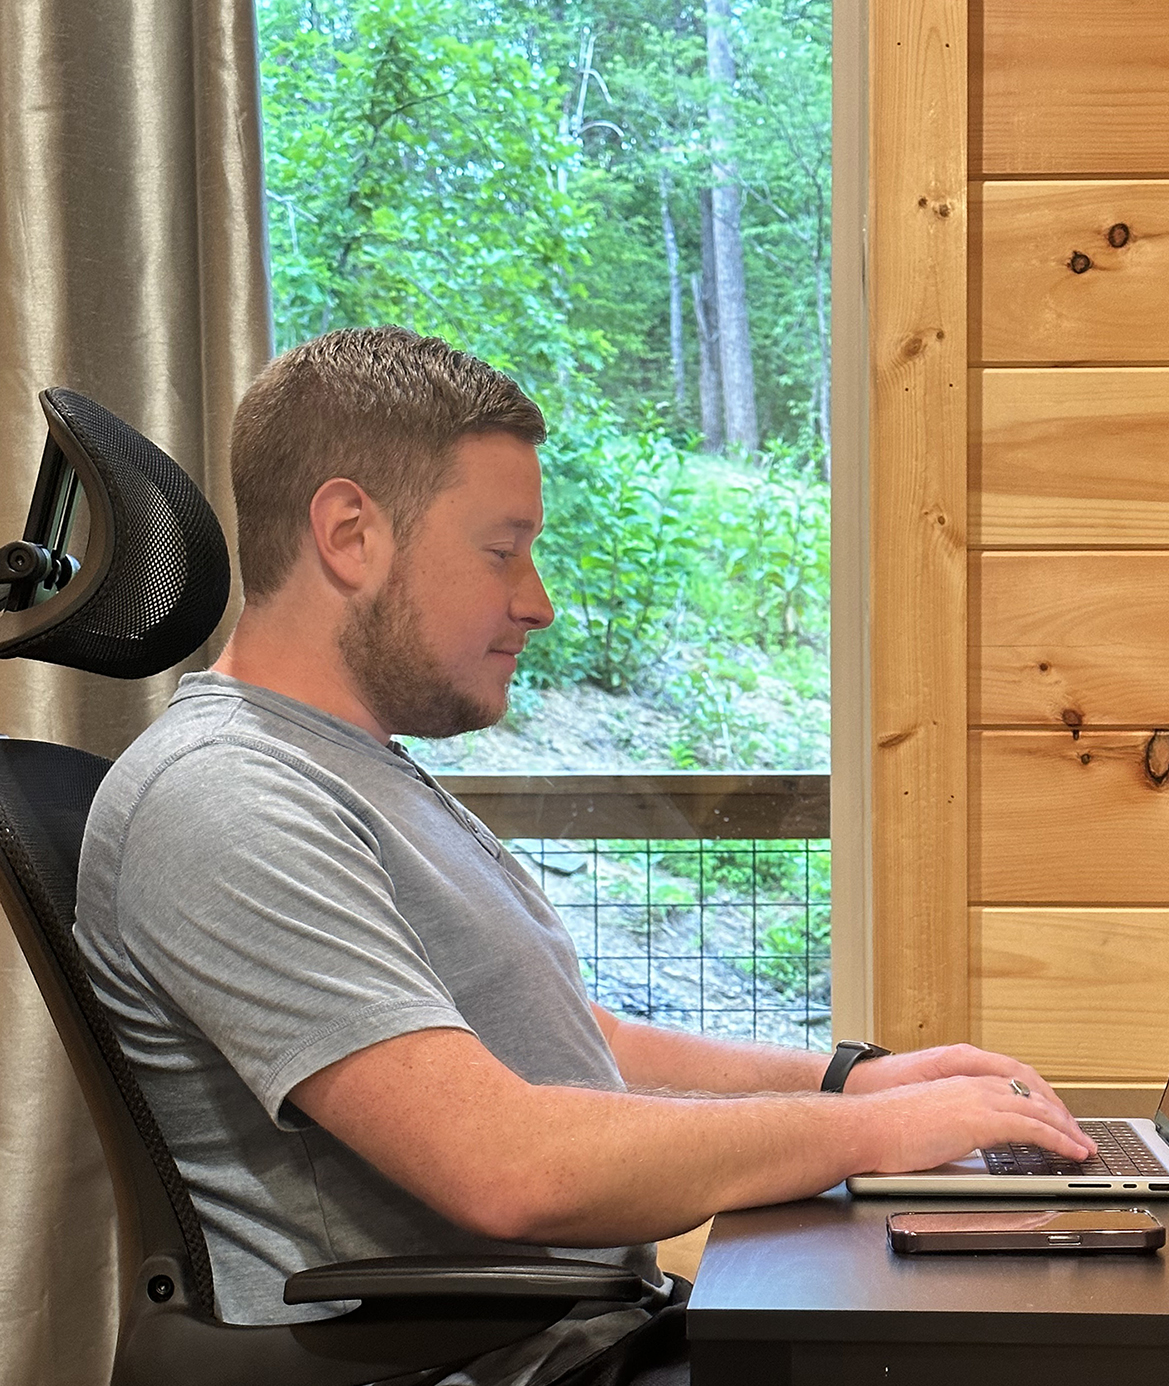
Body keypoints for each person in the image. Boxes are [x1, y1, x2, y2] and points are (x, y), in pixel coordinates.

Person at [74, 326, 1095, 1386]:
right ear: (349, 533)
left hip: (583, 1339)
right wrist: (874, 1136)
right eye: (501, 548)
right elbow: (507, 1165)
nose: (538, 601)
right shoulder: (224, 797)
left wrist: (853, 1083)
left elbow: (578, 1038)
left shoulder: (356, 771)